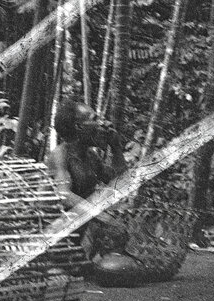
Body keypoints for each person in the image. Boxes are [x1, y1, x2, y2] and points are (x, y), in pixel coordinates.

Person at [45, 99, 151, 285]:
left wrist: (116, 147)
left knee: (117, 241)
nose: (104, 124)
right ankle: (53, 264)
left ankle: (80, 262)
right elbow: (64, 195)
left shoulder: (90, 157)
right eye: (96, 119)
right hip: (52, 234)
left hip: (77, 233)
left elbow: (121, 183)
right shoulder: (60, 155)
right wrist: (100, 215)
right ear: (79, 127)